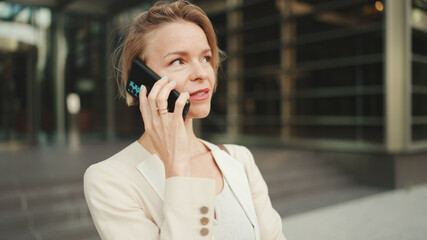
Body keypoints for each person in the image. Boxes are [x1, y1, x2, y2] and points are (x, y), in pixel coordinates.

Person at [83, 1, 286, 239]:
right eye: (178, 61)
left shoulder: (239, 160)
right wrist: (176, 167)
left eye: (206, 57)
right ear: (142, 79)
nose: (202, 73)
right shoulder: (109, 180)